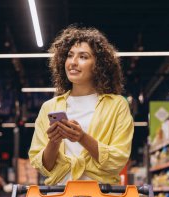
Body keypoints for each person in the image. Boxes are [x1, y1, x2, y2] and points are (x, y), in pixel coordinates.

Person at [28, 25, 134, 185]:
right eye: (70, 56)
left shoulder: (117, 105)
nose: (73, 62)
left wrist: (82, 138)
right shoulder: (49, 107)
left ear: (98, 65)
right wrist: (54, 142)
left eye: (83, 57)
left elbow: (118, 160)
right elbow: (44, 167)